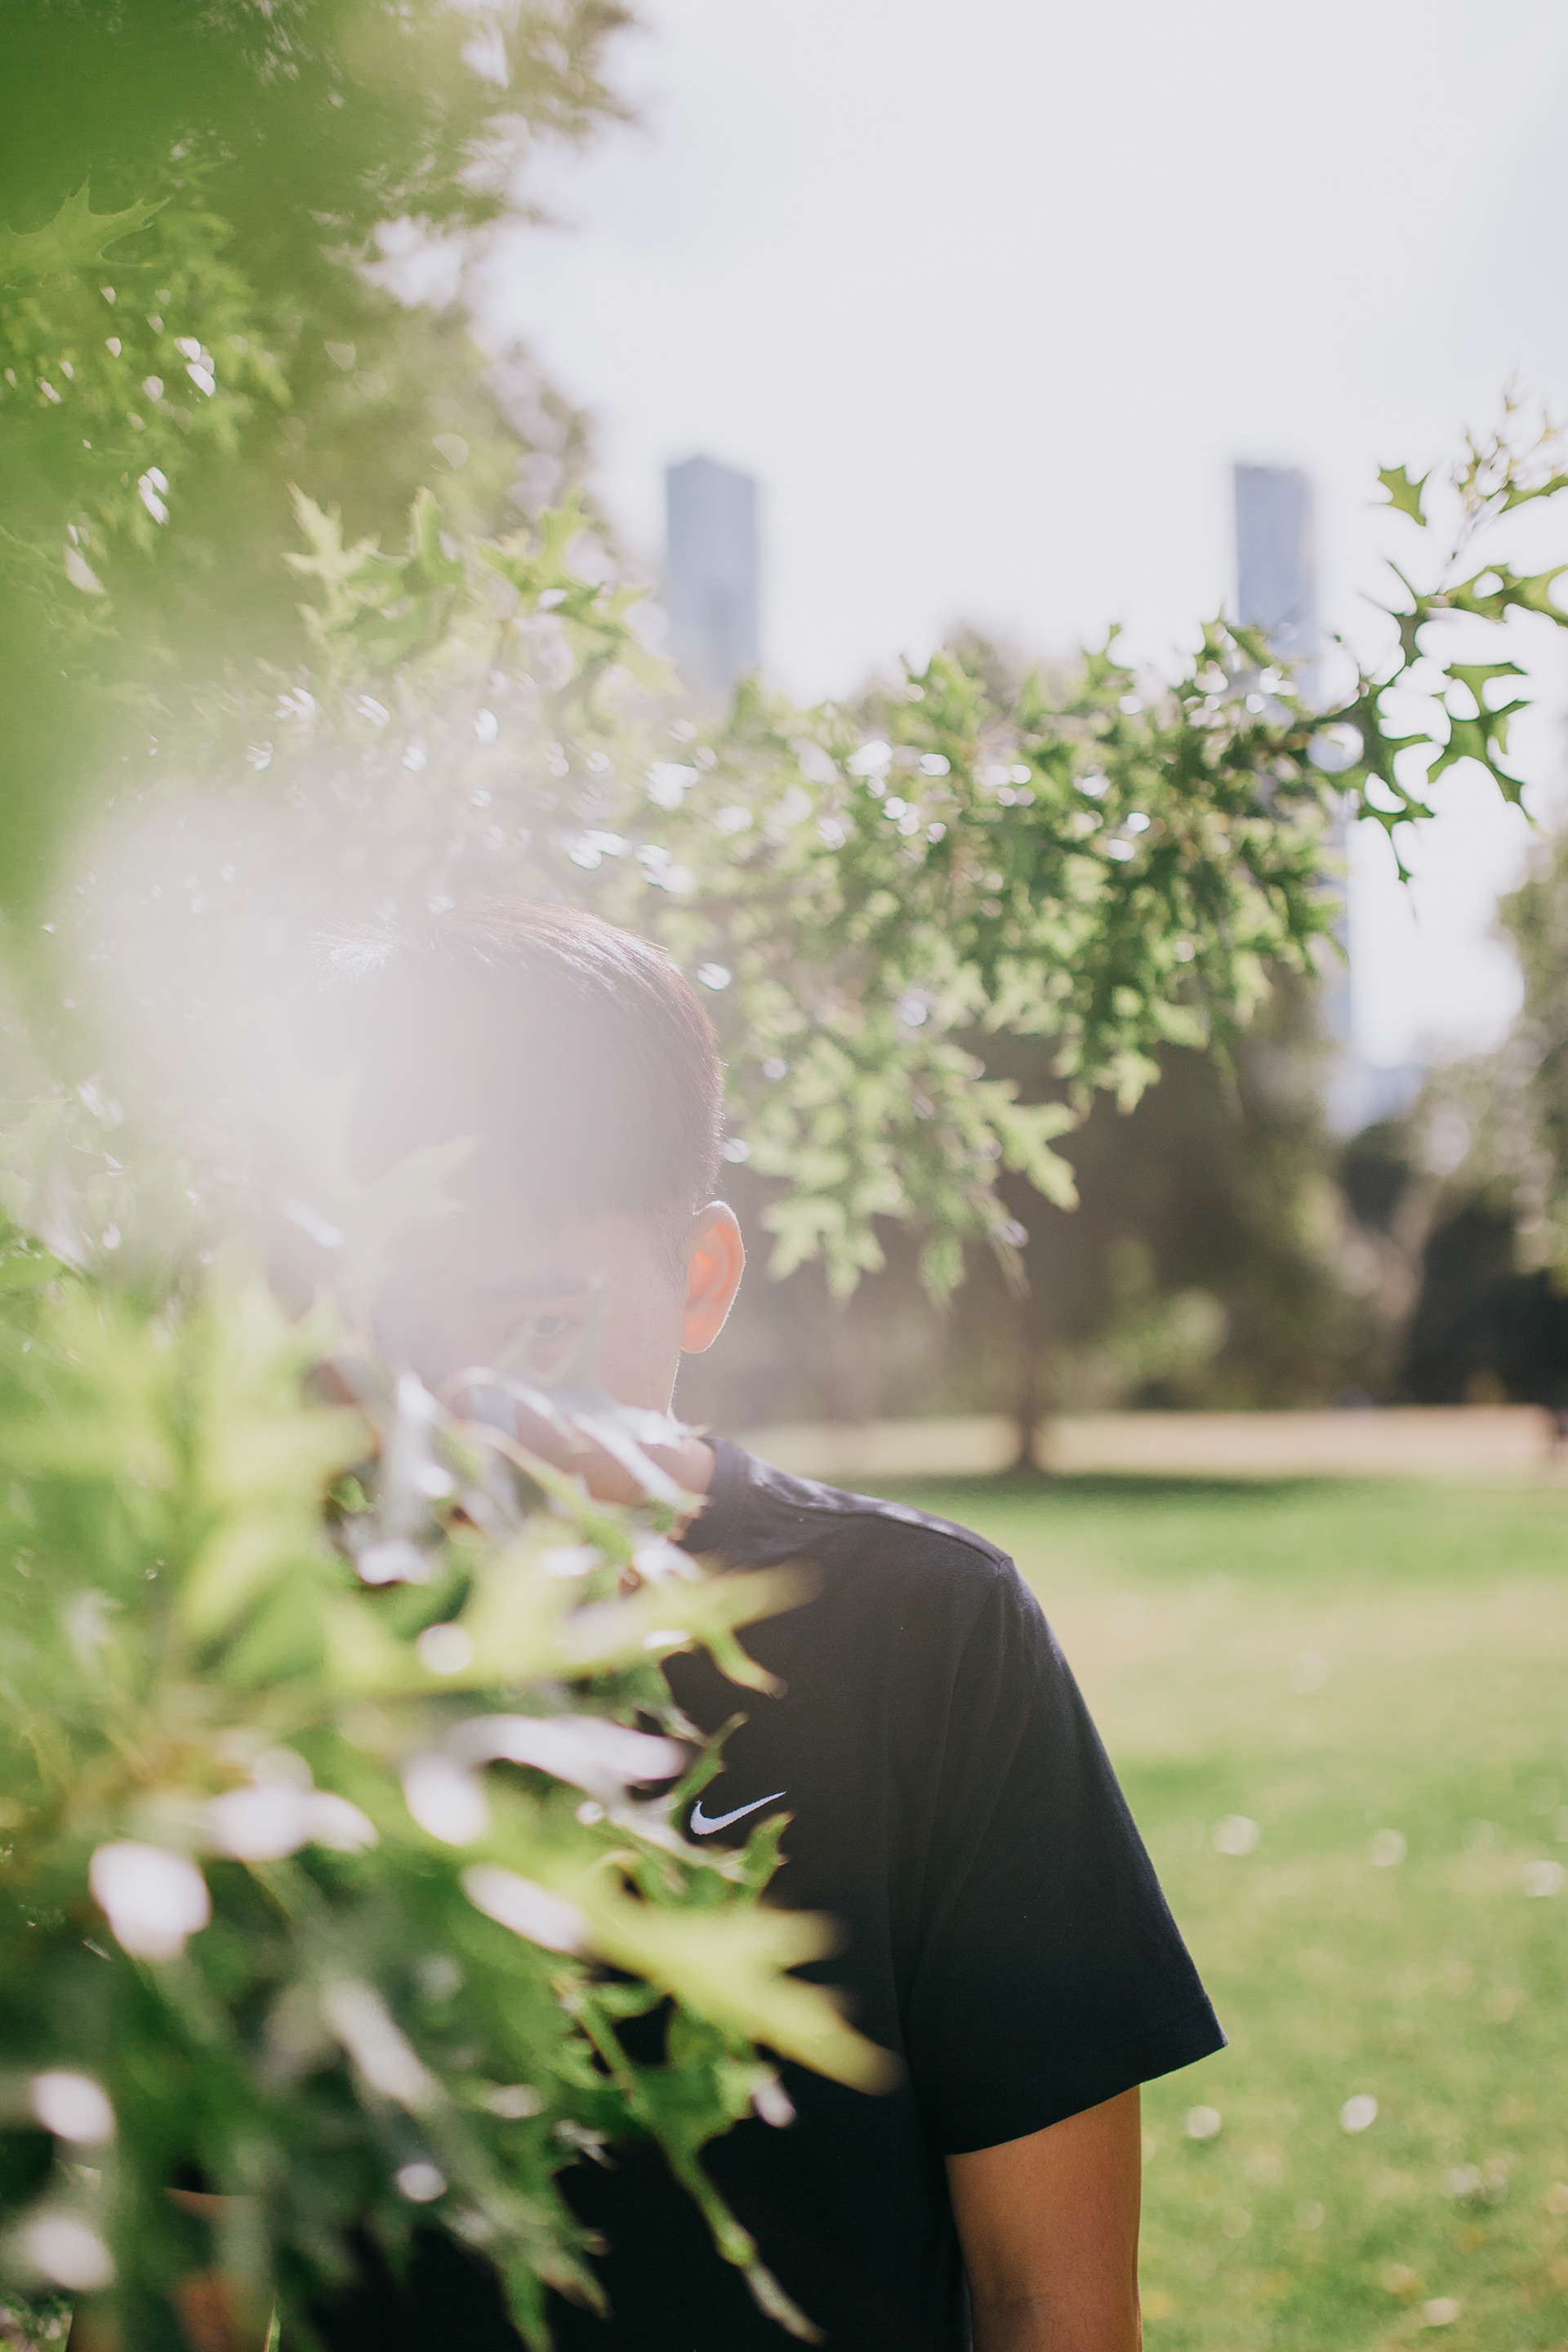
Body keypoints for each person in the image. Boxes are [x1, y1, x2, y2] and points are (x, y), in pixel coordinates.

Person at [308, 897, 1225, 2352]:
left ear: (702, 1282)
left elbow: (1049, 2297)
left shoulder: (929, 1637)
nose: (462, 1414)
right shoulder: (264, 1676)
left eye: (535, 1326)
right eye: (403, 1332)